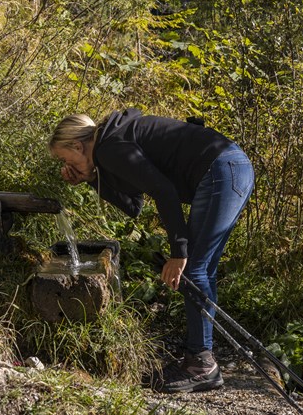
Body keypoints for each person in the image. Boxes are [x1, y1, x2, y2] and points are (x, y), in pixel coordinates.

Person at [48, 108, 254, 393]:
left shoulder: (109, 147)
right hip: (231, 167)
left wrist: (178, 252)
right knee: (201, 270)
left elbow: (165, 192)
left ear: (76, 145)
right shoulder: (112, 144)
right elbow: (134, 206)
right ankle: (200, 358)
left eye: (63, 157)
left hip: (220, 169)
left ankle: (201, 363)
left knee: (193, 269)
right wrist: (90, 178)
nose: (64, 165)